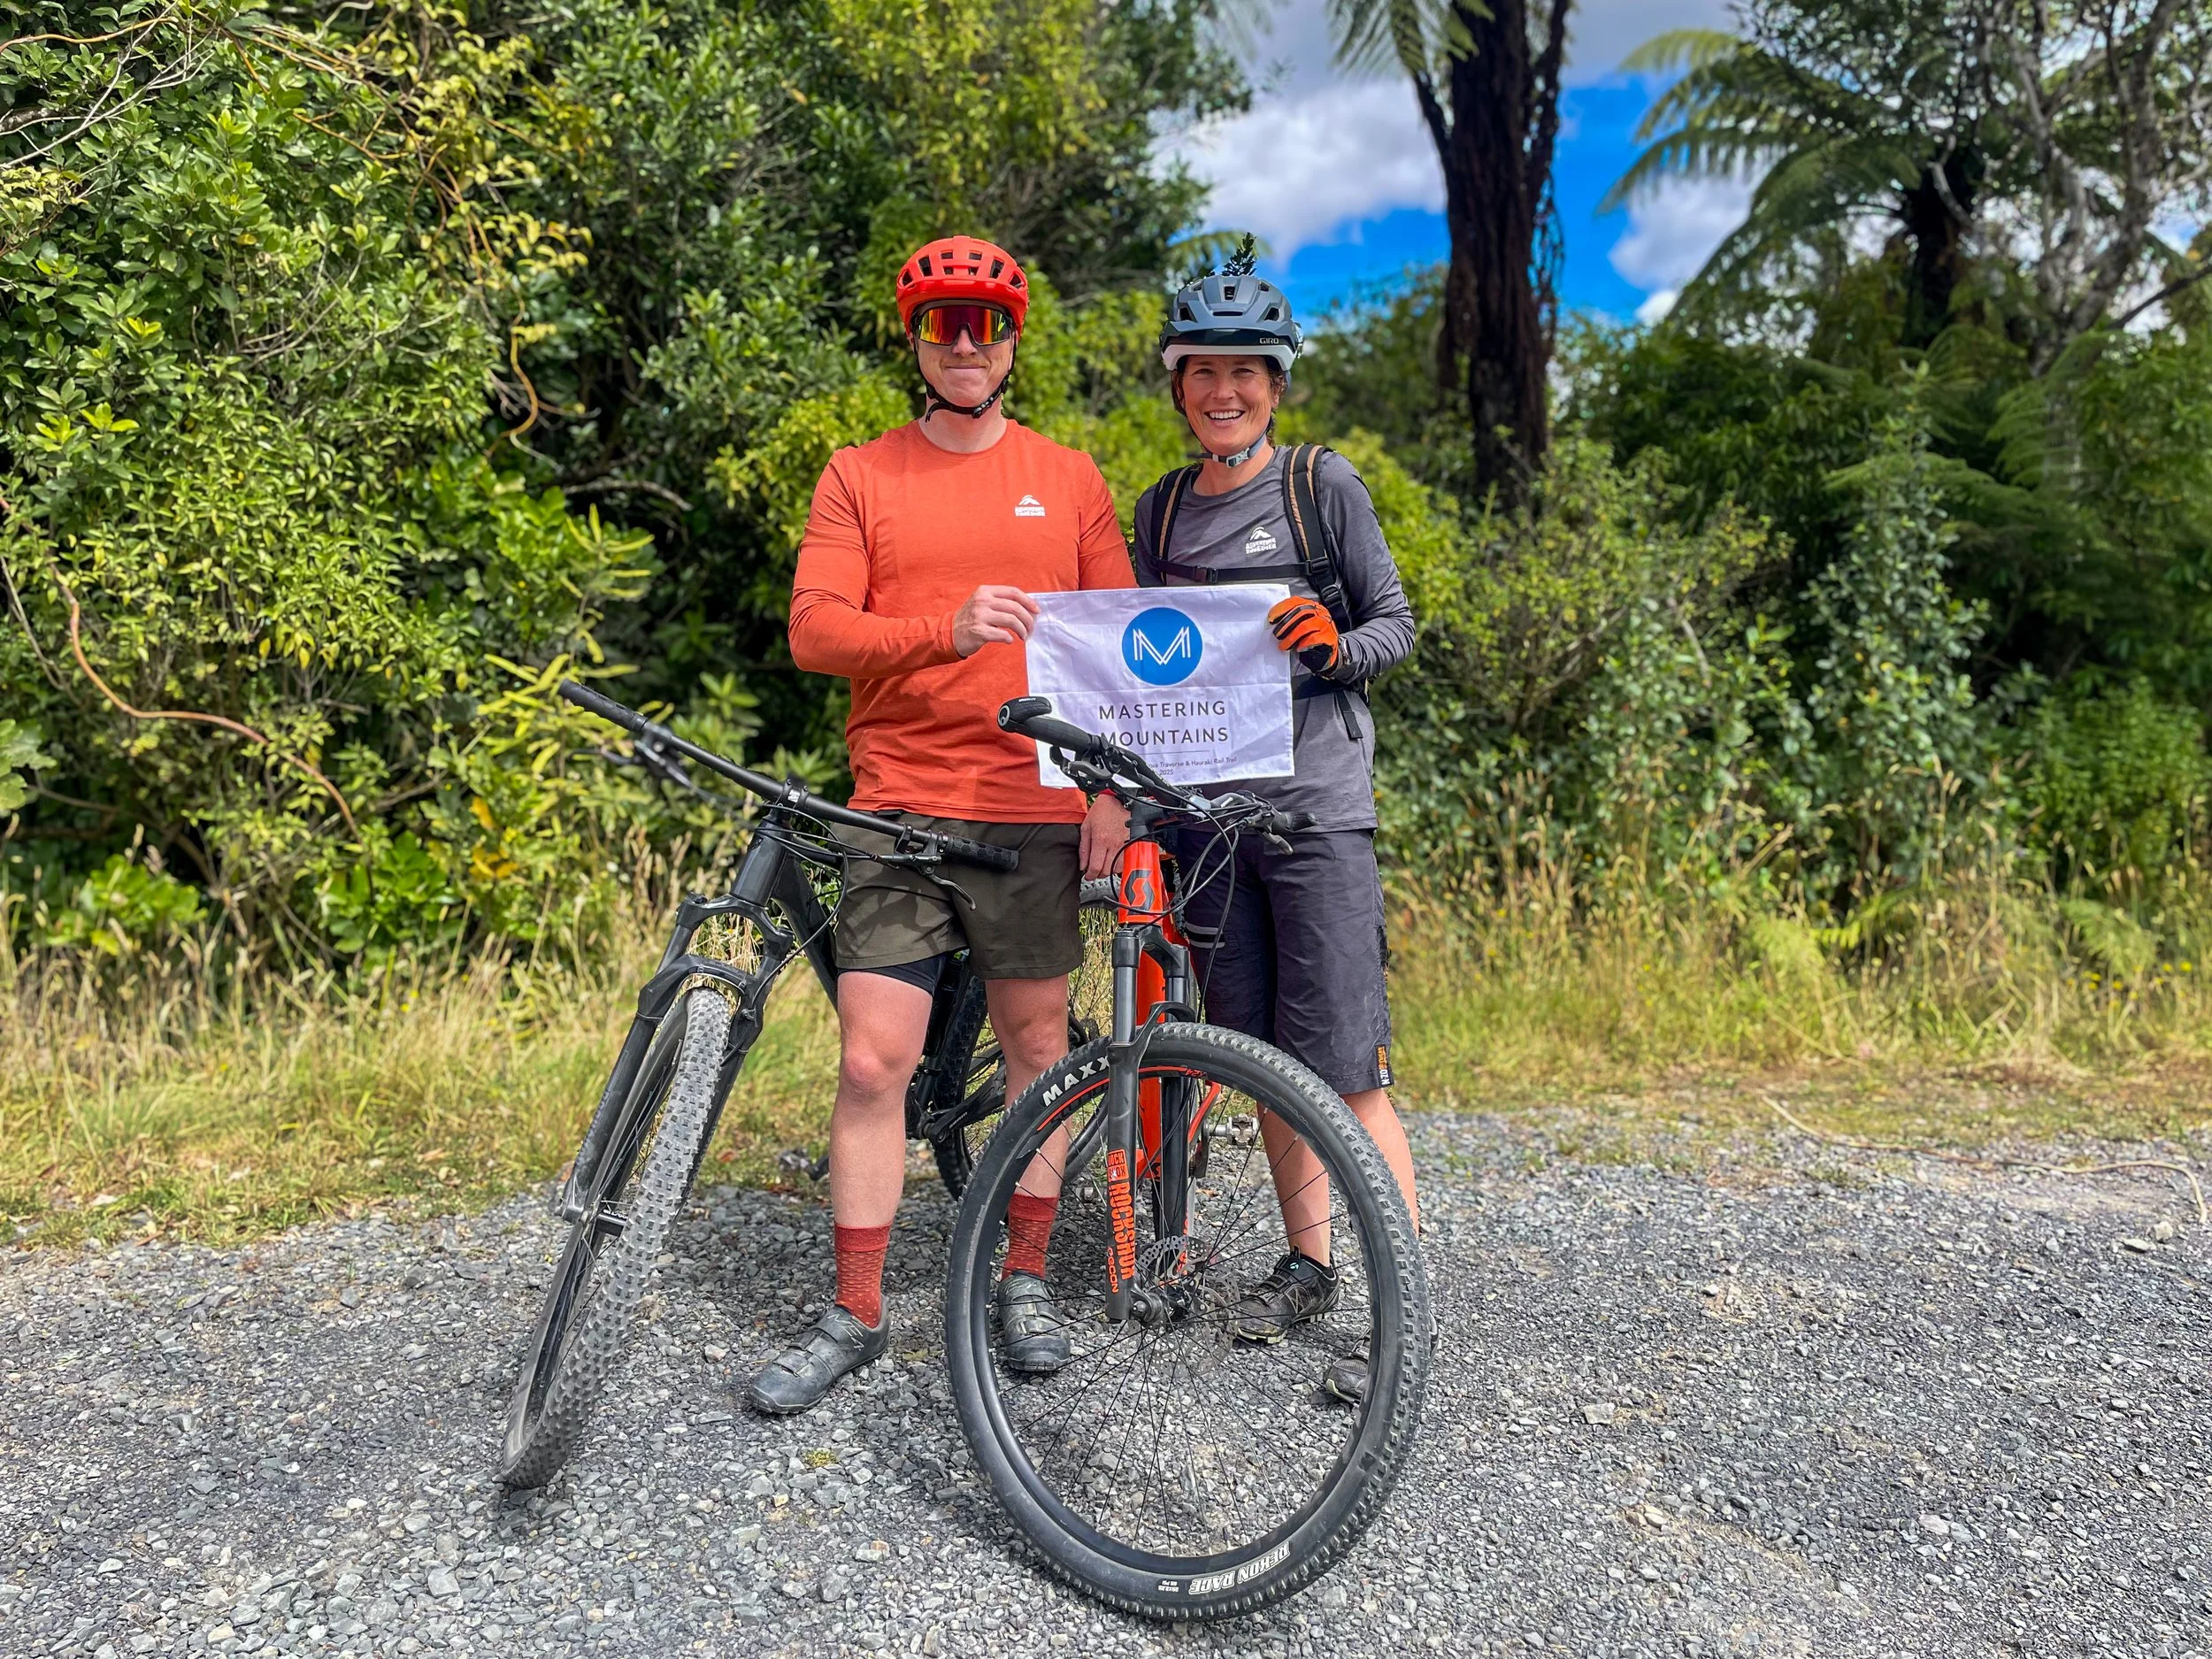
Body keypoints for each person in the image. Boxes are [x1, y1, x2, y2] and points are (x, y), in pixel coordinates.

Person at [752, 235, 1132, 1415]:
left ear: (1012, 340)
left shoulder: (1068, 476)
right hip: (899, 804)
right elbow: (815, 630)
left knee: (1034, 1048)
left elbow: (1120, 644)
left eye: (986, 323)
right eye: (942, 324)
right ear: (915, 341)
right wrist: (942, 629)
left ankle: (1024, 1276)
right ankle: (856, 1310)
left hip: (1032, 805)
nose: (966, 342)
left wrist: (1111, 792)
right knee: (873, 1057)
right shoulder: (859, 473)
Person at [1129, 271, 1421, 1403]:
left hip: (1315, 814)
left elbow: (1395, 623)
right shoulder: (1159, 512)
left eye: (1244, 371)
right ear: (1178, 386)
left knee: (1347, 1067)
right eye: (1202, 370)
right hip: (1207, 824)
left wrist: (1333, 646)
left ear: (1276, 384)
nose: (1224, 390)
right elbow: (1138, 663)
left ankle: (1398, 1313)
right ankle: (1309, 1266)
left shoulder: (1318, 486)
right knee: (1259, 1062)